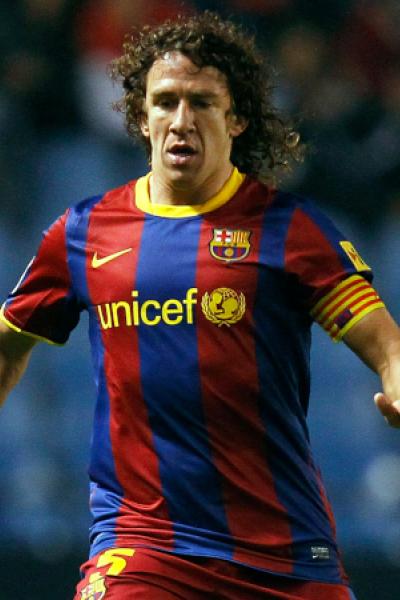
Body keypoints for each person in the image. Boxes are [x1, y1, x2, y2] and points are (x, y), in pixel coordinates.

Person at [1, 12, 399, 600]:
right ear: (141, 115)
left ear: (236, 119)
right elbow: (8, 349)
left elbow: (387, 344)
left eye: (202, 102)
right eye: (164, 102)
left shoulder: (290, 229)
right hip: (142, 547)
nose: (181, 120)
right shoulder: (84, 233)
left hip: (285, 556)